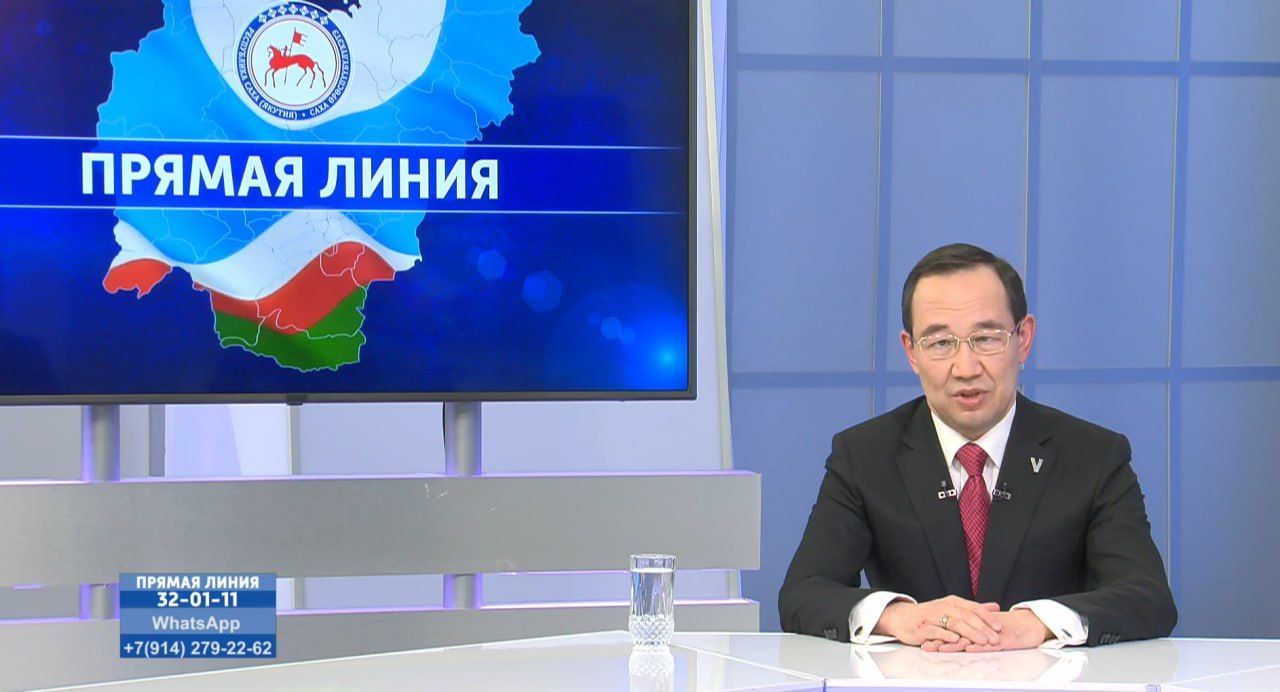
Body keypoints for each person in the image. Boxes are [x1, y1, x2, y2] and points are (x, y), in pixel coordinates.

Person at [778, 243, 1176, 651]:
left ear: (1023, 338)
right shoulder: (864, 455)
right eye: (940, 343)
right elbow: (804, 593)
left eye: (986, 338)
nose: (966, 369)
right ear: (911, 352)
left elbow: (1147, 597)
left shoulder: (1093, 456)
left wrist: (1034, 624)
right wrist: (902, 617)